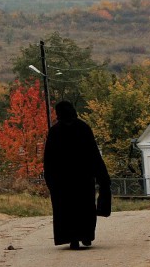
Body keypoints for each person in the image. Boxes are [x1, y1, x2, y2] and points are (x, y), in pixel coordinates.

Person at [43, 100, 111, 249]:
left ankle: (72, 238)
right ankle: (86, 235)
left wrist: (50, 179)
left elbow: (49, 159)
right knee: (85, 207)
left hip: (62, 180)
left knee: (66, 209)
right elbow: (94, 154)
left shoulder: (55, 131)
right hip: (83, 178)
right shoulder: (83, 128)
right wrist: (102, 177)